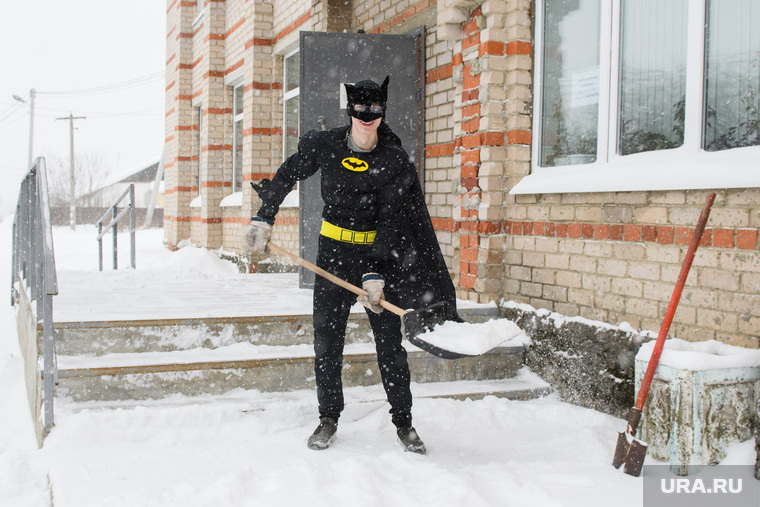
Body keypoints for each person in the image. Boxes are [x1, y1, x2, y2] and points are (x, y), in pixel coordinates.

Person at [246, 76, 459, 454]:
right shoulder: (325, 146)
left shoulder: (393, 160)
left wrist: (376, 271)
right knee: (327, 344)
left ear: (382, 113)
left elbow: (393, 218)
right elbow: (287, 174)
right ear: (350, 111)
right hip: (333, 256)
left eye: (374, 110)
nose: (366, 117)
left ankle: (404, 423)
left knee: (389, 346)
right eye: (360, 110)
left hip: (376, 261)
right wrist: (265, 218)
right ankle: (328, 418)